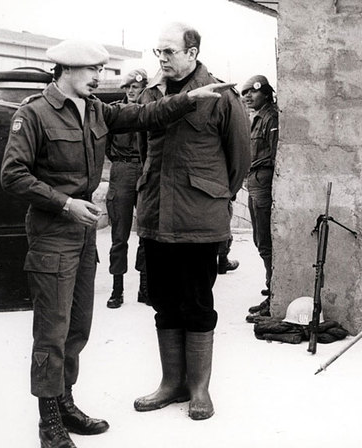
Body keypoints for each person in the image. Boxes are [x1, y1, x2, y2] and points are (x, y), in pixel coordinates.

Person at [0, 39, 234, 448]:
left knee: (77, 329)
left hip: (83, 234)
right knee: (51, 331)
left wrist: (188, 98)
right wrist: (66, 202)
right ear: (66, 70)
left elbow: (145, 114)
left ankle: (66, 402)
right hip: (54, 232)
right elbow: (13, 174)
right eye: (92, 71)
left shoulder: (95, 110)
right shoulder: (33, 113)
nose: (98, 78)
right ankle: (48, 422)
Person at [132, 22, 250, 421]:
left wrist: (210, 196)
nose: (162, 59)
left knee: (197, 303)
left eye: (169, 52)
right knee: (164, 303)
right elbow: (143, 149)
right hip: (155, 216)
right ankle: (172, 384)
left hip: (200, 220)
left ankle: (199, 388)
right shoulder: (150, 94)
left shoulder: (221, 96)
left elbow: (239, 162)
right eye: (158, 53)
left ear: (192, 53)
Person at [106, 68, 149, 308]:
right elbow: (107, 145)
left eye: (136, 87)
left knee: (146, 231)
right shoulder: (115, 111)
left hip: (144, 170)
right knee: (119, 234)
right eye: (128, 87)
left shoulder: (150, 110)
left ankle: (145, 287)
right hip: (121, 170)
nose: (132, 91)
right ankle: (117, 289)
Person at [241, 75, 279, 319]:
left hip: (264, 183)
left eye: (251, 92)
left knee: (266, 241)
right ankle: (271, 290)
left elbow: (275, 155)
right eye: (244, 93)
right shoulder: (257, 118)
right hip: (255, 182)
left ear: (264, 93)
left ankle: (274, 297)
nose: (247, 97)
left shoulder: (271, 117)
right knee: (259, 240)